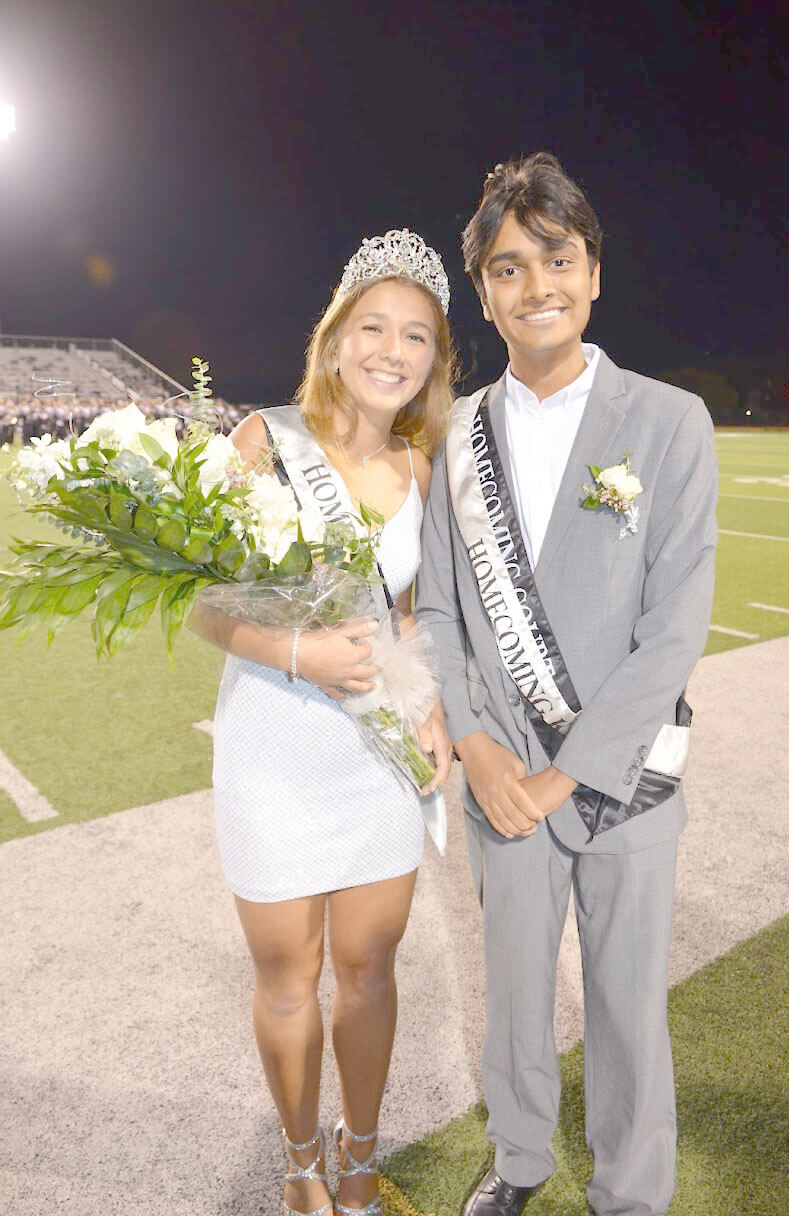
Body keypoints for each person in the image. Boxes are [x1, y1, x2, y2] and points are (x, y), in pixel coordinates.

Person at [416, 154, 718, 1216]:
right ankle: (520, 1160)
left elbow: (674, 628)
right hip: (499, 779)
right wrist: (479, 745)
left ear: (591, 273)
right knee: (511, 1001)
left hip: (622, 779)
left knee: (628, 1003)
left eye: (556, 256)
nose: (535, 282)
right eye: (508, 266)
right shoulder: (451, 436)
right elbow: (443, 613)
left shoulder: (669, 420)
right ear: (484, 291)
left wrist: (564, 774)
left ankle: (631, 1190)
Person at [189, 230, 454, 1216]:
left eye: (416, 337)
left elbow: (405, 616)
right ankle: (298, 1163)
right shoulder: (263, 438)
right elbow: (205, 604)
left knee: (369, 968)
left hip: (370, 756)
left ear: (433, 359)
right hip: (272, 746)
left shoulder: (420, 471)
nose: (392, 350)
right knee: (288, 977)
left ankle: (356, 1158)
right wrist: (298, 653)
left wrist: (423, 709)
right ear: (336, 334)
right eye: (374, 326)